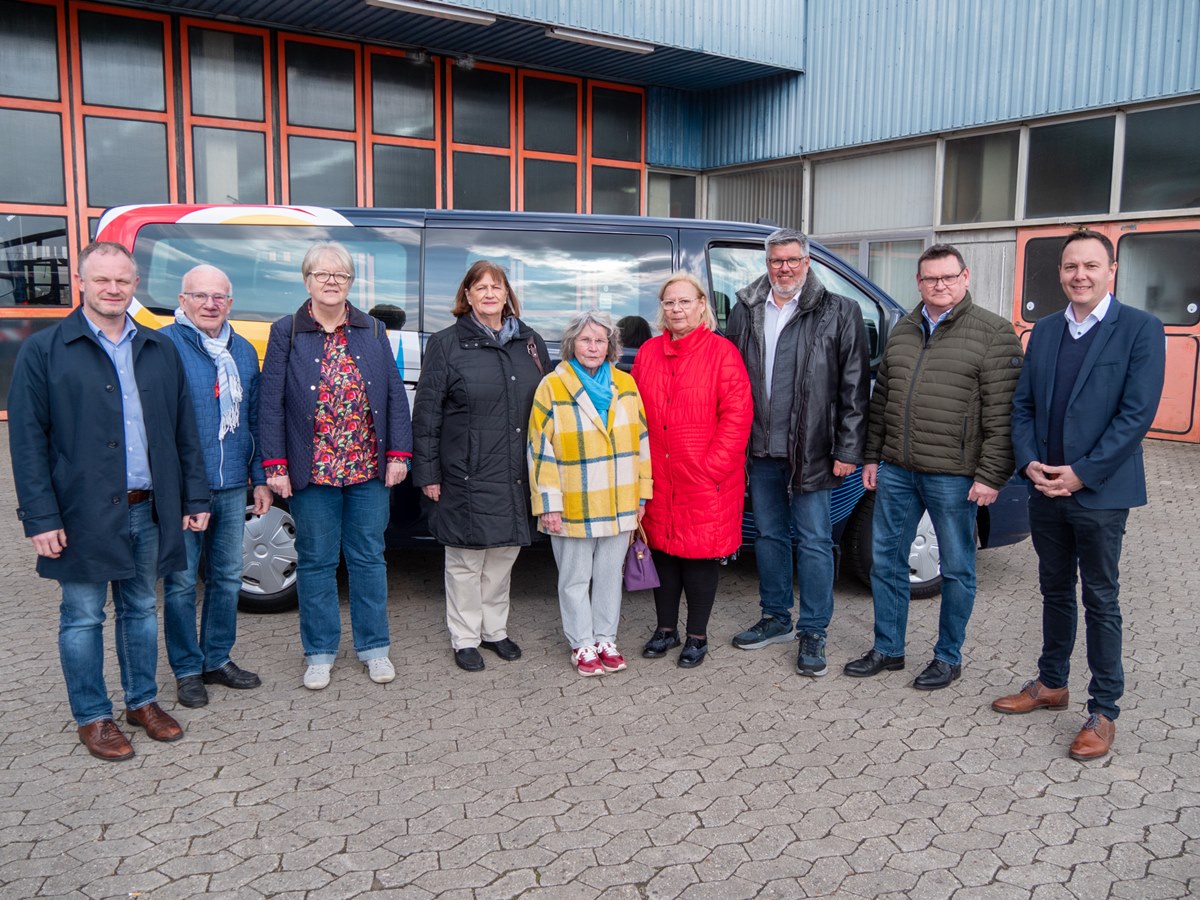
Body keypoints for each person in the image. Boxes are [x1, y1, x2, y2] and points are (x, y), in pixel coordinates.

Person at [8, 241, 211, 761]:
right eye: (102, 280)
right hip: (79, 512)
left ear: (135, 285)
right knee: (81, 615)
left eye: (122, 280)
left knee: (141, 607)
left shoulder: (159, 348)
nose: (113, 289)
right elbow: (27, 440)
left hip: (149, 506)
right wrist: (40, 516)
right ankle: (93, 716)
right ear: (81, 282)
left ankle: (141, 702)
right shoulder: (45, 349)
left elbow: (183, 429)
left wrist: (193, 494)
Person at [992, 229, 1165, 760]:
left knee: (1101, 597)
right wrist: (1029, 464)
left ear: (1111, 270)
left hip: (1100, 494)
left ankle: (1104, 709)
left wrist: (1082, 473)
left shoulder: (1140, 329)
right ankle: (1051, 683)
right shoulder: (1043, 332)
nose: (1079, 275)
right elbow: (1022, 407)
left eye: (1091, 266)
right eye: (1071, 267)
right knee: (1053, 590)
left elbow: (1135, 416)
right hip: (1044, 487)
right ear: (1060, 272)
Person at [845, 244, 1023, 690]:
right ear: (919, 282)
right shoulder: (904, 329)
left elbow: (1004, 414)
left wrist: (991, 475)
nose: (938, 285)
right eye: (929, 279)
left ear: (965, 278)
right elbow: (882, 400)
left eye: (947, 277)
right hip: (898, 469)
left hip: (954, 474)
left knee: (958, 568)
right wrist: (871, 455)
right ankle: (888, 648)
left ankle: (948, 657)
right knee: (885, 561)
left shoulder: (995, 333)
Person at [260, 241, 413, 691]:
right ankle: (320, 652)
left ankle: (374, 649)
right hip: (312, 471)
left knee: (368, 558)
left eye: (340, 275)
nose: (332, 282)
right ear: (307, 280)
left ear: (350, 282)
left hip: (367, 469)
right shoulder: (286, 331)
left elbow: (393, 398)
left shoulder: (372, 330)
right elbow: (270, 405)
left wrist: (399, 456)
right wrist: (275, 465)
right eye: (322, 274)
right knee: (316, 563)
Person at [725, 228, 870, 677]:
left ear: (808, 262)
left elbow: (854, 387)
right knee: (768, 536)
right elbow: (730, 379)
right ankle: (775, 617)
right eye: (775, 261)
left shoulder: (840, 311)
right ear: (766, 265)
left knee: (814, 540)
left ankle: (813, 629)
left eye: (792, 260)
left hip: (814, 448)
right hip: (761, 446)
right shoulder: (745, 308)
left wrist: (848, 448)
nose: (783, 268)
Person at [412, 261, 550, 672]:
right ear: (467, 296)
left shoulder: (530, 342)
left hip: (515, 471)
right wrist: (429, 474)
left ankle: (495, 632)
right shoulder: (446, 343)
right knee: (466, 560)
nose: (490, 294)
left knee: (503, 556)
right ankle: (465, 637)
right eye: (480, 287)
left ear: (507, 294)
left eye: (497, 287)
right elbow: (427, 415)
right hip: (465, 471)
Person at [160, 265, 272, 708]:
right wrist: (184, 490)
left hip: (231, 486)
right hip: (187, 487)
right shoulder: (163, 346)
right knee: (182, 582)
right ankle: (187, 669)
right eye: (200, 296)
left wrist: (260, 478)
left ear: (230, 303)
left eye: (219, 297)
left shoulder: (243, 351)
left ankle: (217, 659)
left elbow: (255, 419)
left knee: (226, 578)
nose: (210, 304)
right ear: (183, 300)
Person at [631, 274, 752, 667]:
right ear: (662, 310)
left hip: (704, 478)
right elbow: (633, 415)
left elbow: (737, 416)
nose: (677, 309)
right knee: (663, 552)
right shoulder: (648, 353)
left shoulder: (722, 353)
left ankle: (697, 636)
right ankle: (666, 629)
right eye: (669, 303)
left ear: (702, 305)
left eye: (685, 302)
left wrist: (712, 468)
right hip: (659, 475)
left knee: (699, 557)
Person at [528, 309, 652, 677]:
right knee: (575, 578)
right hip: (573, 501)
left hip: (619, 498)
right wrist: (548, 503)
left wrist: (642, 496)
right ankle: (581, 643)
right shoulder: (552, 385)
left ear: (611, 345)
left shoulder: (626, 385)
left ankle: (605, 639)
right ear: (572, 344)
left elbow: (642, 442)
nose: (593, 347)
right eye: (585, 339)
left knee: (610, 576)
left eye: (600, 340)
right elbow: (539, 449)